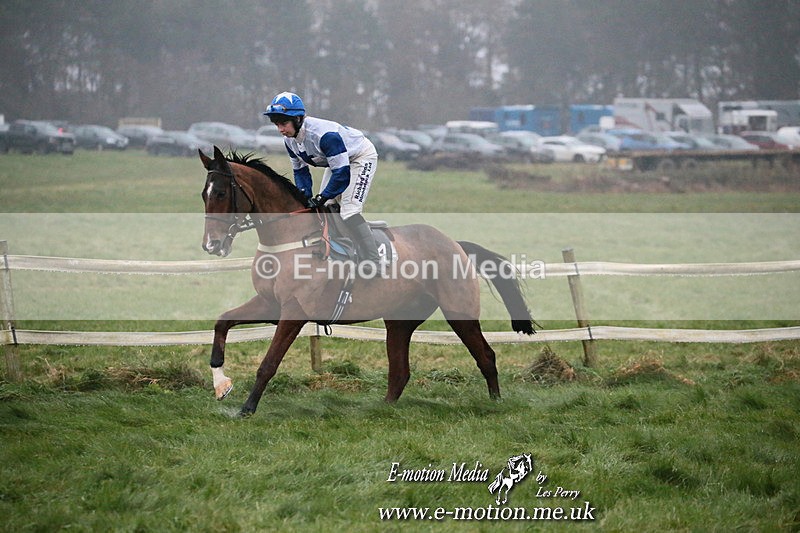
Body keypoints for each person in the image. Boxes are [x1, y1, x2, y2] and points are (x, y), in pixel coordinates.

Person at [263, 91, 381, 263]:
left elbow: (342, 174)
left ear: (297, 119)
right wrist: (305, 198)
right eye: (276, 124)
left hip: (360, 157)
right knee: (326, 207)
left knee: (349, 210)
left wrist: (321, 196)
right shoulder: (289, 140)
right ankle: (342, 248)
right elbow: (300, 172)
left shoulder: (325, 136)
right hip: (339, 162)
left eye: (283, 123)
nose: (280, 129)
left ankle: (374, 259)